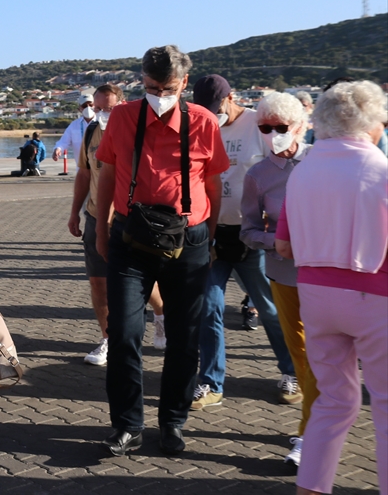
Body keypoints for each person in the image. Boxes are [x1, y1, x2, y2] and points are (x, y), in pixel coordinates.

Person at [93, 45, 228, 456]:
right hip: (131, 238)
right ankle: (127, 425)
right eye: (151, 87)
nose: (159, 94)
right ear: (142, 82)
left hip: (188, 239)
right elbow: (108, 173)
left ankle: (172, 421)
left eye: (168, 88)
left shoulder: (203, 122)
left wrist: (210, 235)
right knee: (124, 334)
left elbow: (214, 186)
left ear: (184, 84)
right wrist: (101, 229)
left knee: (185, 338)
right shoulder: (123, 116)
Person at [275, 81, 387, 495]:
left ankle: (310, 492)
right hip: (376, 297)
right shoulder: (381, 171)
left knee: (333, 402)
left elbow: (283, 245)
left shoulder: (302, 171)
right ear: (372, 122)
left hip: (316, 295)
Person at [188, 75, 298, 412]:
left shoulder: (258, 125)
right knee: (208, 307)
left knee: (269, 309)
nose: (213, 115)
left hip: (253, 234)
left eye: (217, 107)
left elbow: (278, 171)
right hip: (213, 231)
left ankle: (292, 372)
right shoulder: (204, 125)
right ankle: (210, 382)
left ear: (231, 97)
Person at [239, 92, 315, 467]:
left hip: (329, 274)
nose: (272, 134)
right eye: (265, 128)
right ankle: (313, 427)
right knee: (301, 353)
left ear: (299, 126)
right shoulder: (257, 175)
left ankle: (314, 429)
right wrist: (277, 242)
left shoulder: (321, 161)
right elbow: (249, 230)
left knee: (327, 354)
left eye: (280, 128)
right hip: (284, 275)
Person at [68, 84, 168, 365]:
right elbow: (84, 175)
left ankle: (160, 315)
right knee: (99, 283)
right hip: (95, 216)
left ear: (123, 104)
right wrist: (74, 212)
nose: (100, 113)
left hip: (131, 218)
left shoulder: (138, 131)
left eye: (108, 108)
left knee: (141, 283)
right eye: (97, 108)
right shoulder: (91, 132)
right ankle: (108, 339)